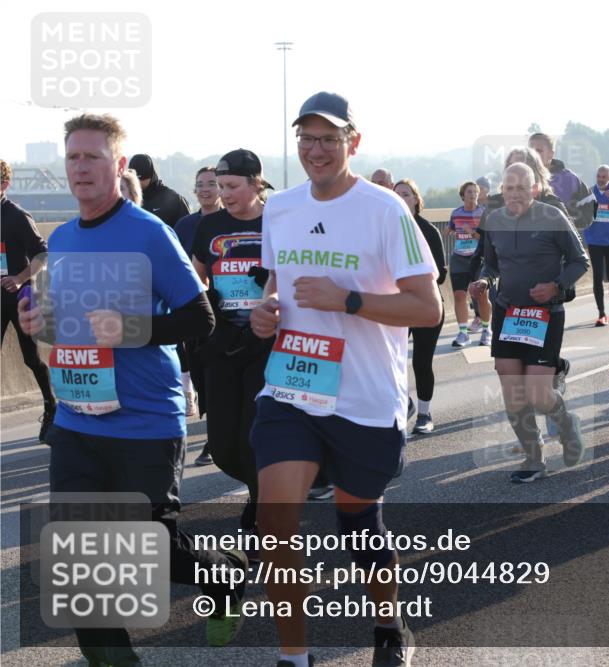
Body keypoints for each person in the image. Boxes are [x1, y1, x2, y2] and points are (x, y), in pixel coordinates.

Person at [19, 113, 247, 665]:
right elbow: (61, 323)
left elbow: (201, 318)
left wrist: (135, 329)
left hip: (145, 421)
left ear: (118, 166)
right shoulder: (62, 238)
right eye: (73, 157)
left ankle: (224, 579)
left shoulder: (150, 233)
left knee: (154, 549)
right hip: (77, 422)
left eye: (93, 157)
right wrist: (37, 322)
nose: (81, 167)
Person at [249, 91, 440, 667]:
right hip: (292, 387)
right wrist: (267, 311)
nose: (316, 150)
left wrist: (348, 299)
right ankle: (294, 657)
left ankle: (390, 624)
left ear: (352, 144)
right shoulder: (279, 208)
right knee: (274, 523)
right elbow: (276, 287)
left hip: (363, 396)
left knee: (359, 526)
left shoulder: (385, 210)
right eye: (306, 139)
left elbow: (427, 309)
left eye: (329, 139)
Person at [469, 162, 589, 482]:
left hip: (545, 313)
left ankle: (566, 425)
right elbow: (490, 264)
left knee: (537, 394)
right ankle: (533, 457)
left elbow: (580, 261)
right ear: (502, 191)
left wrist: (556, 286)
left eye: (522, 187)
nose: (515, 194)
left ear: (535, 189)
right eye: (509, 188)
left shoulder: (552, 217)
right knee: (513, 392)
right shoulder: (494, 220)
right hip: (509, 313)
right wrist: (483, 281)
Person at [191, 149, 274, 541]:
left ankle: (259, 509)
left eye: (232, 186)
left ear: (256, 183)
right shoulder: (210, 227)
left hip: (268, 343)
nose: (224, 194)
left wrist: (271, 282)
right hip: (222, 344)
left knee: (251, 436)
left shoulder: (279, 222)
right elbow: (197, 277)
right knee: (223, 449)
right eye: (220, 187)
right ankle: (273, 485)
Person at [1, 159, 56, 441]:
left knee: (31, 358)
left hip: (20, 296)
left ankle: (51, 406)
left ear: (4, 185)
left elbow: (43, 254)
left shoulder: (17, 216)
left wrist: (21, 278)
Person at [175, 166, 224, 466]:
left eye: (212, 184)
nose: (205, 189)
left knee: (220, 377)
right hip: (194, 310)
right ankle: (214, 433)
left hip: (227, 311)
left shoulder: (229, 221)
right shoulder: (184, 225)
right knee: (202, 376)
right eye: (200, 185)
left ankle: (214, 440)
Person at [394, 178, 447, 433]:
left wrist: (414, 278)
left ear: (416, 199)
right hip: (397, 306)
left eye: (406, 194)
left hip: (427, 306)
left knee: (421, 362)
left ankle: (424, 415)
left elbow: (441, 275)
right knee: (391, 361)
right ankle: (405, 404)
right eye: (397, 194)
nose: (401, 197)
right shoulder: (388, 229)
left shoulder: (429, 231)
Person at [447, 181, 491, 347]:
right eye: (469, 192)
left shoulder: (484, 213)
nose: (473, 194)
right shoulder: (456, 213)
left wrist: (471, 232)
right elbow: (451, 228)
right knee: (459, 295)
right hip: (459, 258)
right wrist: (445, 232)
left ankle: (487, 330)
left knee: (481, 296)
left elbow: (487, 238)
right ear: (462, 195)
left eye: (475, 192)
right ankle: (463, 333)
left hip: (478, 258)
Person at [582, 164, 609, 326]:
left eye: (604, 177)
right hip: (594, 240)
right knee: (597, 276)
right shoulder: (589, 193)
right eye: (598, 176)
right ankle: (601, 314)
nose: (600, 180)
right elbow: (580, 214)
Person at [528, 132, 593, 230]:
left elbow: (590, 208)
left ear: (551, 154)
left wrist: (569, 223)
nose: (533, 155)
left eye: (539, 151)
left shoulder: (569, 179)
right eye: (530, 151)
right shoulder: (520, 176)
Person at [127, 153, 191, 227]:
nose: (137, 182)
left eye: (141, 178)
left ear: (150, 176)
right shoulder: (125, 200)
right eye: (133, 179)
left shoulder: (174, 200)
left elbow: (187, 231)